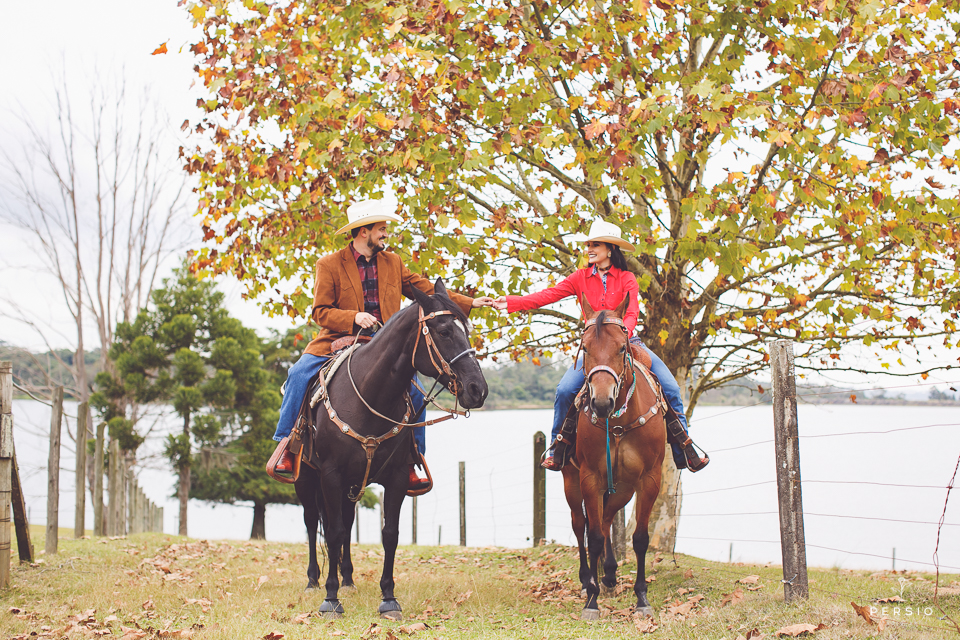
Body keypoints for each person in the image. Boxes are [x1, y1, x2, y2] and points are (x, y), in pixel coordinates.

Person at [272, 198, 494, 488]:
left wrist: (469, 302)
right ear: (364, 232)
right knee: (298, 374)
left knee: (416, 394)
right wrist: (354, 317)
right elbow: (320, 312)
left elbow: (427, 290)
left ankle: (413, 459)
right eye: (381, 228)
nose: (385, 233)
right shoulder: (328, 265)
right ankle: (287, 446)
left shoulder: (393, 262)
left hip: (386, 344)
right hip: (339, 339)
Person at [492, 219, 708, 472]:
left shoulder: (627, 278)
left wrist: (622, 332)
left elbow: (633, 312)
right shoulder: (579, 278)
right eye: (588, 244)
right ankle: (557, 447)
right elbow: (546, 296)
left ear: (610, 249)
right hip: (594, 349)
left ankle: (684, 447)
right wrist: (508, 302)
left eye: (595, 244)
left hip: (625, 342)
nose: (589, 249)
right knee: (564, 391)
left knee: (670, 387)